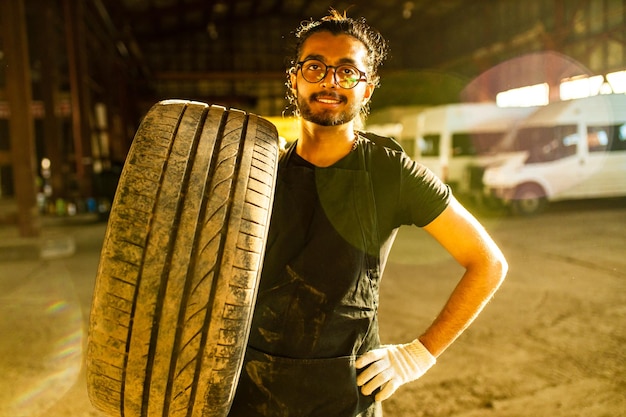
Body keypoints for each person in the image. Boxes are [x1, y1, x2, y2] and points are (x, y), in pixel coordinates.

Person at [228, 9, 508, 417]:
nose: (330, 81)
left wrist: (418, 354)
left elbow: (487, 263)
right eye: (315, 67)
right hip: (249, 391)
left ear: (367, 88)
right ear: (294, 79)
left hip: (344, 396)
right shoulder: (258, 168)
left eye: (347, 71)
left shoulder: (390, 172)